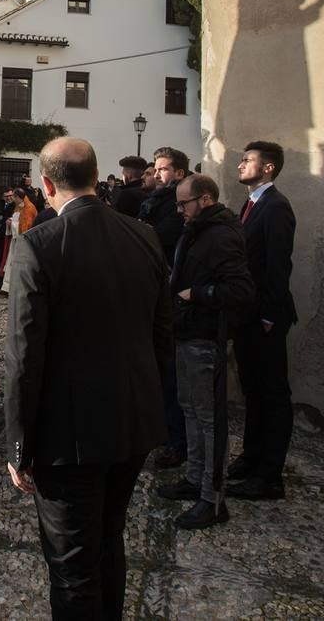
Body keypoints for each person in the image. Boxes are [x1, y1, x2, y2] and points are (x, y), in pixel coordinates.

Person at [5, 137, 168, 619]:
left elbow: (24, 355)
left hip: (68, 436)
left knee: (73, 566)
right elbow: (162, 336)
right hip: (131, 422)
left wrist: (18, 444)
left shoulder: (39, 245)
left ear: (47, 184)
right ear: (96, 177)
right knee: (107, 542)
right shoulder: (145, 235)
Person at [159, 174, 254, 529]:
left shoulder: (222, 234)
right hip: (186, 332)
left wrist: (196, 294)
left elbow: (240, 290)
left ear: (206, 199)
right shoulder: (198, 229)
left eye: (184, 204)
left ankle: (213, 499)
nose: (179, 210)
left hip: (205, 335)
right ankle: (195, 478)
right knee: (190, 410)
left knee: (209, 418)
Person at [228, 141, 298, 501]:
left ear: (268, 168)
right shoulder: (252, 202)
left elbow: (277, 265)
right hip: (248, 313)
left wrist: (270, 314)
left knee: (272, 394)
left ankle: (270, 475)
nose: (241, 165)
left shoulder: (276, 207)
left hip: (265, 316)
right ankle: (252, 457)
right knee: (252, 389)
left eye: (248, 160)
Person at [139, 146, 189, 470]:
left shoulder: (175, 206)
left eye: (163, 169)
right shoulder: (155, 201)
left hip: (170, 298)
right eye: (155, 169)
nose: (157, 174)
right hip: (154, 293)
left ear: (180, 173)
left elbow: (160, 239)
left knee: (171, 378)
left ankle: (176, 442)